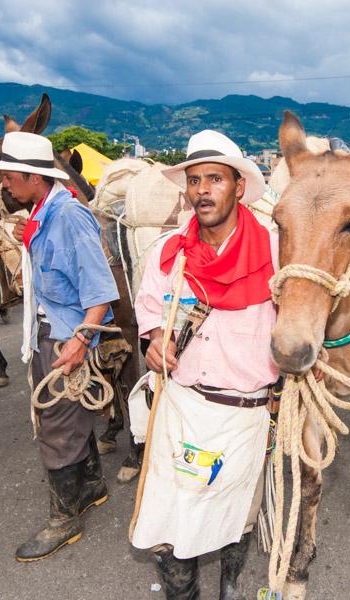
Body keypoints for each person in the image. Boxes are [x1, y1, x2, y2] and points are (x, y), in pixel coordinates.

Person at [131, 130, 276, 599]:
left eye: (214, 179)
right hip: (181, 406)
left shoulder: (276, 252)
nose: (201, 190)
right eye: (194, 180)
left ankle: (230, 586)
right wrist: (154, 340)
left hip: (246, 413)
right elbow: (150, 307)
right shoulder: (168, 252)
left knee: (238, 516)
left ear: (238, 186)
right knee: (173, 523)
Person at [0, 131, 120, 562]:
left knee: (55, 424)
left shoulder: (68, 216)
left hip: (65, 335)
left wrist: (81, 340)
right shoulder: (44, 210)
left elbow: (100, 290)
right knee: (72, 414)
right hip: (51, 330)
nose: (4, 185)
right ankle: (93, 486)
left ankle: (64, 520)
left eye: (8, 177)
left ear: (32, 177)